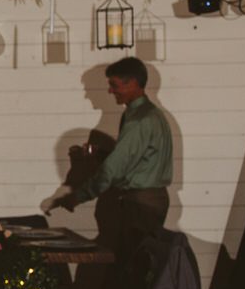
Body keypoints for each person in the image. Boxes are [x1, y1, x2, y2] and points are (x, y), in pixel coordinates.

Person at [46, 57, 172, 265]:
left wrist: (77, 196)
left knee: (132, 268)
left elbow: (113, 170)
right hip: (147, 201)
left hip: (140, 206)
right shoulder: (150, 115)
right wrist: (102, 155)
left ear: (132, 83)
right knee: (139, 266)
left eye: (114, 85)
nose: (110, 91)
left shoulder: (139, 120)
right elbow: (135, 160)